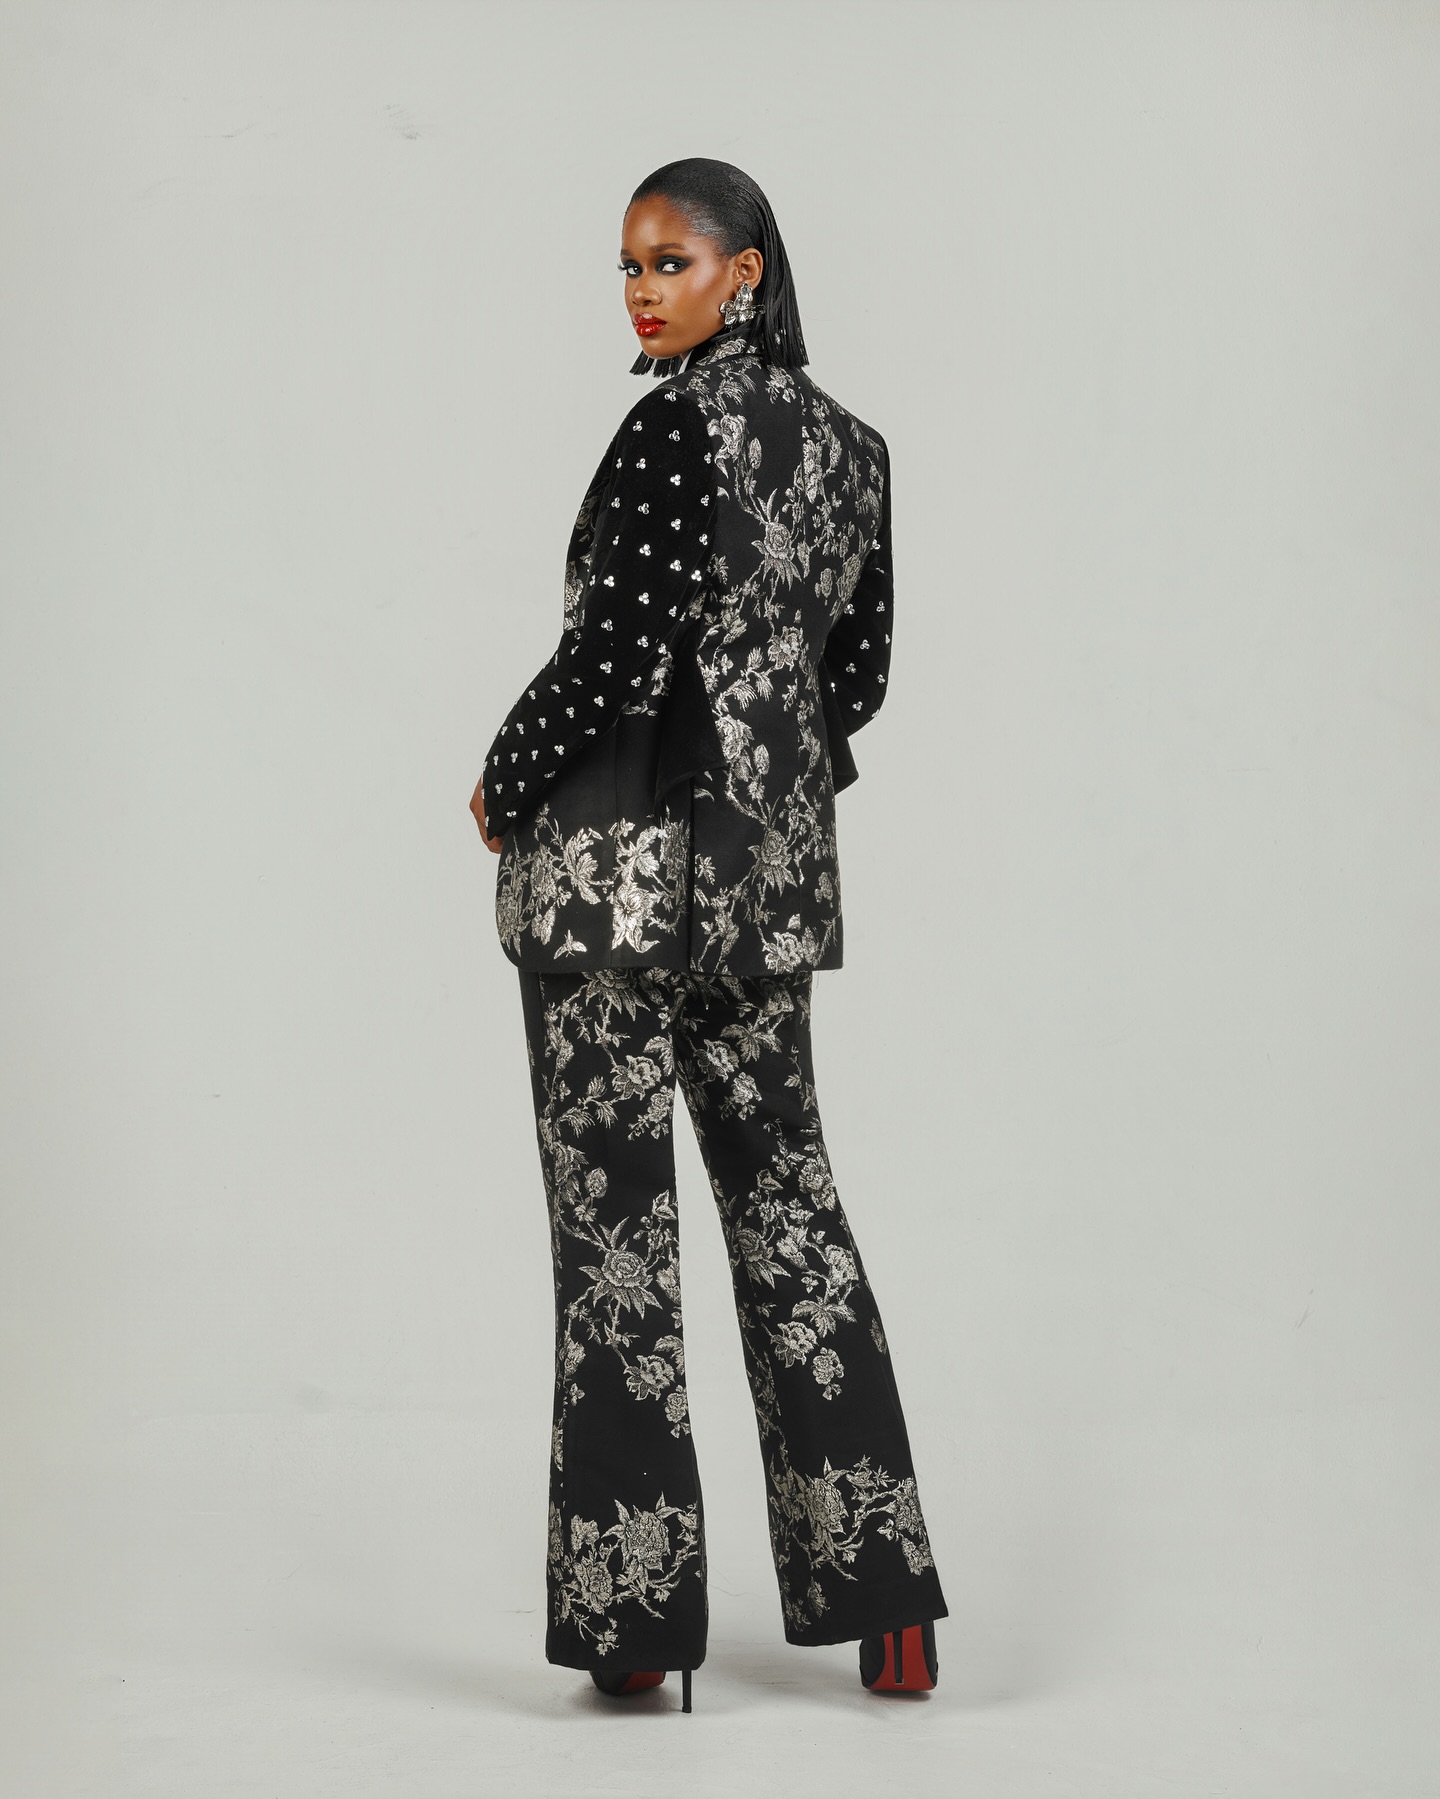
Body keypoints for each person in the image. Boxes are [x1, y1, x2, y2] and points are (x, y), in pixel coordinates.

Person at [469, 158, 947, 1712]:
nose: (640, 291)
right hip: (763, 896)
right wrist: (756, 768)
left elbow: (616, 651)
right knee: (791, 1213)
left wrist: (506, 776)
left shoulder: (676, 426)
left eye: (669, 262)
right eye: (627, 266)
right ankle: (888, 1601)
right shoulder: (853, 451)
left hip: (612, 892)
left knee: (618, 1246)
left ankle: (637, 1631)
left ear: (744, 271)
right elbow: (852, 676)